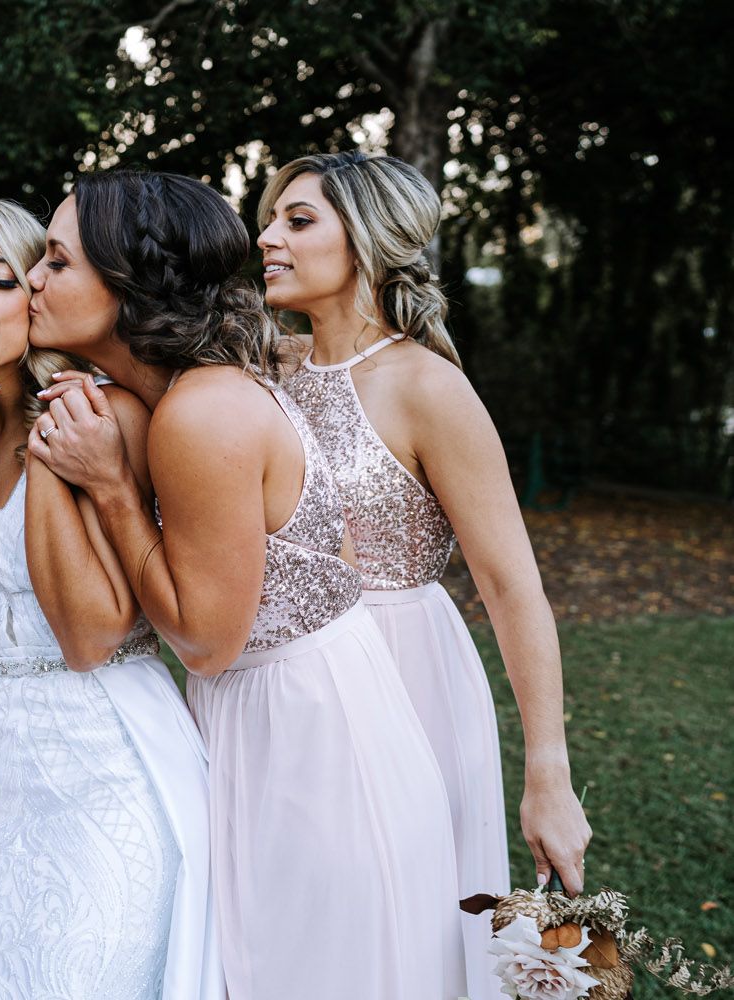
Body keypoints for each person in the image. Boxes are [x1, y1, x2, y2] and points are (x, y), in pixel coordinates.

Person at [27, 170, 465, 998]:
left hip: (310, 742)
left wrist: (114, 489)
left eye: (56, 261)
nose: (32, 281)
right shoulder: (183, 393)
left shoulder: (204, 412)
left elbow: (203, 641)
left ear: (129, 283)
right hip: (272, 712)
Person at [0, 198, 222, 999]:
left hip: (108, 756)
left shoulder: (103, 416)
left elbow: (91, 637)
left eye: (0, 279)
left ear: (32, 295)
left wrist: (44, 443)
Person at [259, 150, 592, 998]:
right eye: (271, 220)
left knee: (393, 924)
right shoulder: (267, 371)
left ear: (366, 240)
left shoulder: (426, 387)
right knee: (291, 916)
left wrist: (548, 774)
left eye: (298, 220)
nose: (267, 238)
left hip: (404, 672)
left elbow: (513, 588)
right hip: (277, 681)